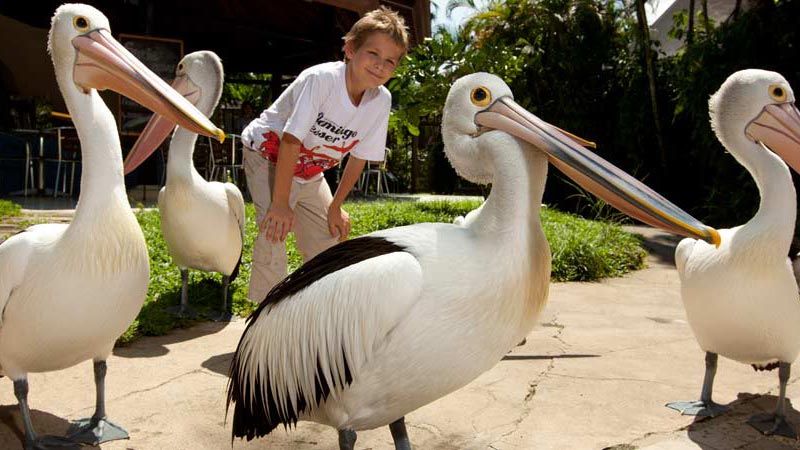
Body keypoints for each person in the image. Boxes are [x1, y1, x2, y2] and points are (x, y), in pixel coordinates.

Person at [240, 6, 408, 303]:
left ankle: (315, 311)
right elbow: (291, 141)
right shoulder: (322, 81)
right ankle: (265, 321)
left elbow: (359, 157)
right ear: (350, 49)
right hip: (269, 155)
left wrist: (335, 206)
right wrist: (280, 204)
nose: (380, 65)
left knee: (329, 240)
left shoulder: (381, 101)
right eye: (373, 54)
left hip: (308, 168)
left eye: (389, 61)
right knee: (274, 231)